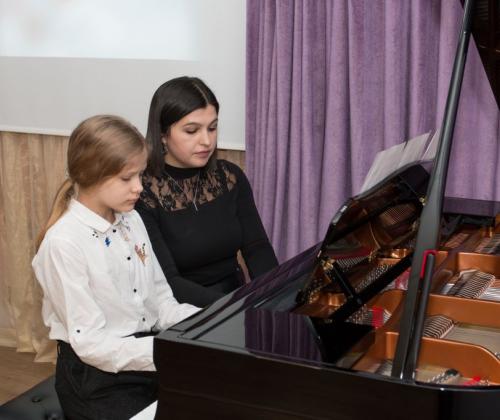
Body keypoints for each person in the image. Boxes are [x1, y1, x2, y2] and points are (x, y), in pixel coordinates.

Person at [32, 115, 200, 420]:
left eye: (140, 175)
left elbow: (161, 302)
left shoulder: (131, 219)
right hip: (97, 381)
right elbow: (92, 344)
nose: (139, 187)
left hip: (147, 357)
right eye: (127, 178)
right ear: (91, 174)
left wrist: (207, 324)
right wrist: (167, 351)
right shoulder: (64, 243)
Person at [136, 76, 278, 307]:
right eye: (192, 131)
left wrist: (274, 296)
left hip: (235, 298)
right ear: (162, 134)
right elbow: (169, 282)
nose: (206, 141)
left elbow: (257, 248)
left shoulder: (229, 177)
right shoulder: (141, 192)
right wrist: (236, 308)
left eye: (212, 128)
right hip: (181, 310)